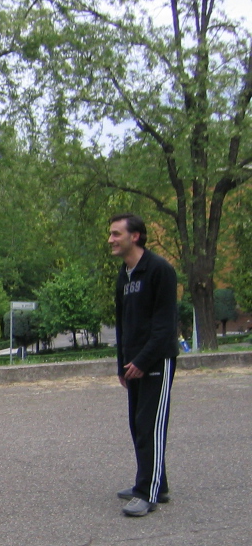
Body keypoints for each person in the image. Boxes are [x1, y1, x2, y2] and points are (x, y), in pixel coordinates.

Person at [108, 213, 179, 516]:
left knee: (151, 426)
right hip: (133, 363)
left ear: (134, 236)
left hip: (156, 361)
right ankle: (154, 484)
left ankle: (148, 493)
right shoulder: (125, 275)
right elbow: (122, 324)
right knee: (138, 425)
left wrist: (142, 360)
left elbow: (165, 326)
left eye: (116, 234)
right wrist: (122, 365)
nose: (110, 240)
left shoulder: (159, 269)